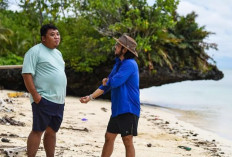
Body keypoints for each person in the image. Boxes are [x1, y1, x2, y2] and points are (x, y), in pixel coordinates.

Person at [80, 34, 140, 157]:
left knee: (127, 140)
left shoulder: (130, 64)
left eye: (118, 45)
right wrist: (90, 97)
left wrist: (108, 80)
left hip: (129, 108)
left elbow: (115, 81)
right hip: (118, 109)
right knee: (109, 137)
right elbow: (106, 85)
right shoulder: (118, 64)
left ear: (125, 50)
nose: (115, 47)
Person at [22, 24, 67, 157]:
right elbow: (26, 74)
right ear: (43, 38)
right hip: (43, 98)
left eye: (57, 34)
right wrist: (35, 96)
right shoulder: (34, 51)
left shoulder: (58, 53)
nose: (56, 37)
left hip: (59, 100)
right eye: (52, 34)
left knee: (52, 131)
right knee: (38, 130)